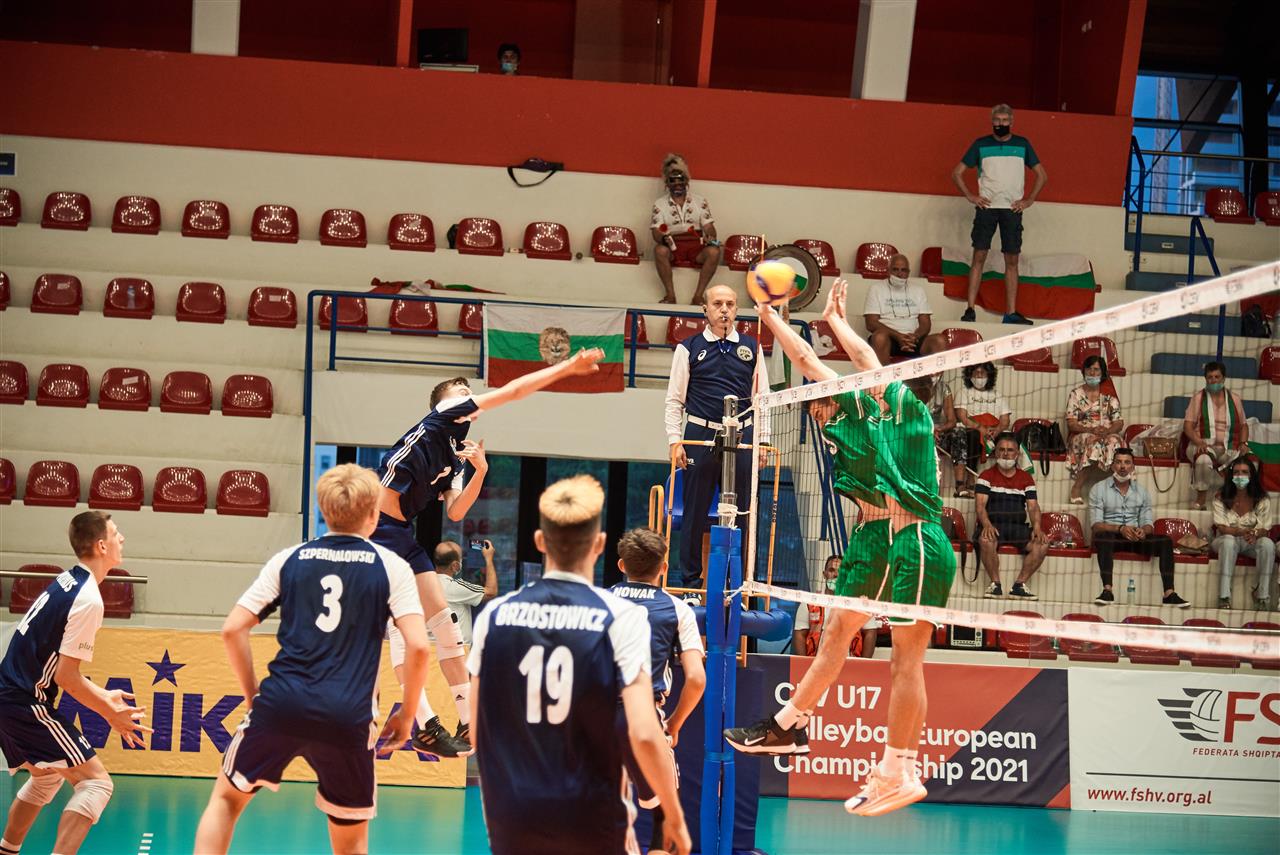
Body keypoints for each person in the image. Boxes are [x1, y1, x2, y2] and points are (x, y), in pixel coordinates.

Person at [725, 280, 956, 819]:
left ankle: (897, 770)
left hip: (916, 536)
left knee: (905, 660)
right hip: (872, 536)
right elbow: (810, 363)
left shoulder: (901, 408)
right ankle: (788, 727)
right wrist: (787, 319)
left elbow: (858, 362)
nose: (816, 411)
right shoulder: (848, 415)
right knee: (834, 634)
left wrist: (821, 322)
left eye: (820, 403)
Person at [373, 349, 604, 758]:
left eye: (469, 390)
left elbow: (456, 511)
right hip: (376, 529)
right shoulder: (441, 415)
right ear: (446, 401)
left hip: (402, 534)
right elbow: (513, 391)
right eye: (461, 390)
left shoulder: (457, 450)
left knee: (445, 624)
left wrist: (480, 470)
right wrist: (568, 368)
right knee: (404, 632)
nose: (469, 393)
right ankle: (425, 725)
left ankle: (467, 720)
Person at [194, 465, 431, 855]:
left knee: (225, 800)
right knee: (350, 843)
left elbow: (233, 629)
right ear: (374, 514)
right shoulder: (392, 567)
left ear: (324, 511)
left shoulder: (290, 558)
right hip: (348, 716)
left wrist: (254, 697)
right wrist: (407, 718)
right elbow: (419, 647)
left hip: (282, 703)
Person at [468, 477, 691, 855]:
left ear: (540, 541)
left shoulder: (494, 615)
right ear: (600, 544)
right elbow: (643, 732)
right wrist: (673, 814)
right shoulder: (622, 616)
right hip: (592, 812)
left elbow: (478, 726)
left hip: (513, 812)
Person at [0, 512, 149, 855]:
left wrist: (103, 695)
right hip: (24, 702)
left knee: (46, 777)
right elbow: (67, 678)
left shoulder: (68, 579)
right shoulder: (88, 598)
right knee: (96, 784)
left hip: (9, 695)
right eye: (115, 533)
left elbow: (61, 670)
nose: (121, 538)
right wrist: (111, 714)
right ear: (101, 546)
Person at [664, 283, 769, 589]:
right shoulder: (688, 348)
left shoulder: (752, 347)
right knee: (694, 513)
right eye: (718, 304)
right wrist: (674, 440)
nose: (724, 310)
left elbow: (762, 399)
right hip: (700, 435)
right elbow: (674, 400)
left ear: (737, 309)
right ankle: (691, 585)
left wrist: (763, 441)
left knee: (743, 514)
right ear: (705, 310)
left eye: (730, 304)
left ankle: (738, 584)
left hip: (743, 436)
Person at [610, 527, 706, 854]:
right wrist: (674, 724)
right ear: (663, 568)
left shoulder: (597, 602)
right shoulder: (678, 609)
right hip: (641, 718)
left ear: (621, 565)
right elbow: (696, 679)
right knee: (665, 818)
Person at [951, 103, 1047, 325]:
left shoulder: (1022, 144)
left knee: (1012, 260)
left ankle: (1010, 313)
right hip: (986, 208)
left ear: (1011, 122)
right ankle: (970, 309)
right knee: (979, 257)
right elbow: (956, 173)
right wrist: (971, 196)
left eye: (1005, 120)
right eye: (997, 120)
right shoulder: (980, 144)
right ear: (992, 121)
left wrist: (1029, 200)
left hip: (1012, 210)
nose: (1001, 124)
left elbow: (1042, 175)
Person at [1089, 449, 1189, 608]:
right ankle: (1107, 591)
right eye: (1118, 462)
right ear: (1112, 466)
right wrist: (1120, 528)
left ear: (1133, 467)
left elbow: (1148, 523)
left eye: (1127, 462)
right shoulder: (1098, 489)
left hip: (1135, 538)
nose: (1123, 466)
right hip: (1112, 536)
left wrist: (1144, 531)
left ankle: (1169, 593)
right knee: (1103, 537)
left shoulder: (1142, 492)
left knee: (1165, 541)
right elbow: (1096, 525)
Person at [974, 433, 1047, 599]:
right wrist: (986, 525)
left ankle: (1019, 585)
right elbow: (980, 506)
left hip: (1017, 527)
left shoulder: (1026, 478)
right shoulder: (986, 476)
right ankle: (995, 584)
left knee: (1042, 544)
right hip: (994, 525)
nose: (1005, 454)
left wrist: (1037, 527)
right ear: (995, 453)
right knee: (985, 539)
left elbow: (1033, 507)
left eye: (1010, 450)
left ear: (1017, 454)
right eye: (1001, 450)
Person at [650, 153, 720, 304]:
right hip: (673, 246)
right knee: (659, 250)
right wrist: (663, 239)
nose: (677, 184)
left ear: (686, 181)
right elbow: (656, 231)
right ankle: (670, 295)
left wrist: (710, 237)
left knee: (714, 252)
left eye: (680, 180)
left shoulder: (700, 201)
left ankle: (698, 296)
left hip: (697, 246)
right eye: (673, 181)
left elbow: (709, 226)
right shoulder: (659, 204)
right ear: (667, 183)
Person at [1184, 361, 1250, 510]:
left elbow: (1244, 425)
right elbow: (1187, 427)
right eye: (1210, 377)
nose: (1213, 380)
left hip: (1229, 446)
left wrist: (1243, 443)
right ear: (1205, 379)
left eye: (1217, 377)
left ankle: (1237, 500)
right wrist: (1199, 442)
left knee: (1244, 465)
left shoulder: (1235, 398)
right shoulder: (1198, 398)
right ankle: (1201, 499)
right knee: (1203, 460)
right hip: (1203, 444)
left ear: (1224, 378)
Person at [1211, 458, 1274, 610]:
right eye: (1236, 472)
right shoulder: (1221, 496)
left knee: (1267, 544)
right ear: (1231, 475)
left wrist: (1255, 533)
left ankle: (1262, 596)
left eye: (1245, 472)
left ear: (1251, 475)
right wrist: (1241, 531)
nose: (1240, 476)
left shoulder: (1262, 498)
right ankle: (1224, 596)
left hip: (1250, 541)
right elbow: (1222, 528)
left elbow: (1265, 529)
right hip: (1225, 540)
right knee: (1228, 541)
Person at [942, 361, 1011, 498]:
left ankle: (1009, 484)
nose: (979, 376)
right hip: (972, 429)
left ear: (989, 375)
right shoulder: (963, 392)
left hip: (993, 431)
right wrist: (980, 428)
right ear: (970, 375)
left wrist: (996, 430)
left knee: (1012, 440)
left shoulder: (998, 395)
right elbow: (962, 417)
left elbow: (1005, 420)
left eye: (982, 373)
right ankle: (968, 478)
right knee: (973, 434)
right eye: (976, 372)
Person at [862, 254, 944, 364]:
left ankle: (932, 376)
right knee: (879, 337)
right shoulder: (876, 289)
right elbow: (871, 323)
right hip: (888, 338)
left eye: (903, 270)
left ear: (908, 273)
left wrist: (915, 336)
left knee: (940, 340)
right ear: (888, 271)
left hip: (913, 340)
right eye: (895, 269)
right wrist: (898, 336)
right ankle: (884, 376)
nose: (899, 274)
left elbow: (926, 324)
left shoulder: (918, 290)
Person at [792, 554, 879, 658]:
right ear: (824, 574)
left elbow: (870, 632)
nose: (836, 574)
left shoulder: (859, 603)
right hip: (817, 663)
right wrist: (803, 664)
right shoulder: (809, 603)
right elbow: (800, 635)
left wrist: (862, 665)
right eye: (831, 570)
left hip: (850, 664)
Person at [1065, 355, 1125, 505]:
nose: (1092, 372)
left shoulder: (1109, 395)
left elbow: (1119, 422)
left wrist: (1108, 431)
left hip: (1107, 433)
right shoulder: (1076, 394)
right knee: (1094, 442)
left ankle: (1118, 490)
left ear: (1102, 373)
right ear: (1084, 371)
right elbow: (1071, 423)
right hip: (1082, 434)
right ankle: (1077, 488)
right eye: (1089, 369)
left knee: (1115, 444)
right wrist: (1091, 429)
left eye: (1096, 369)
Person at [432, 539, 498, 645]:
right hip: (455, 651)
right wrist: (489, 558)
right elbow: (491, 592)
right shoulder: (455, 587)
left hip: (432, 649)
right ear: (455, 566)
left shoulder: (422, 583)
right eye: (461, 558)